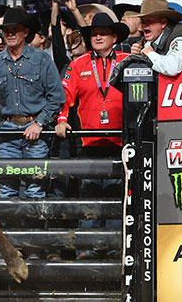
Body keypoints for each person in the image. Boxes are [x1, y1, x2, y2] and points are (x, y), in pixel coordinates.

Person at [55, 13, 129, 260]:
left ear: (114, 37)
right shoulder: (78, 64)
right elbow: (65, 95)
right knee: (90, 197)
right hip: (89, 142)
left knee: (116, 196)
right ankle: (87, 249)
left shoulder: (129, 61)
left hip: (122, 140)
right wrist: (62, 119)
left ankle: (115, 249)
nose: (98, 36)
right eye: (94, 33)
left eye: (103, 33)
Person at [0, 7, 65, 199]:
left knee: (35, 187)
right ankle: (8, 229)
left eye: (15, 29)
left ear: (25, 32)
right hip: (8, 130)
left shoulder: (42, 59)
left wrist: (40, 123)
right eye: (6, 30)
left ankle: (34, 228)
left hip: (35, 131)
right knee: (7, 187)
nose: (9, 34)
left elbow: (57, 97)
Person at [129, 0, 182, 76]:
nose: (144, 26)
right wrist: (138, 56)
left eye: (150, 21)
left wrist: (150, 53)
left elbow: (172, 68)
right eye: (143, 21)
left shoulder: (180, 39)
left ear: (163, 23)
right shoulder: (152, 40)